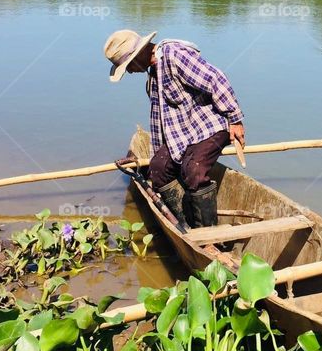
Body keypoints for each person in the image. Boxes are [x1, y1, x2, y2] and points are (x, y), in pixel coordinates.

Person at [104, 29, 245, 228]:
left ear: (137, 57)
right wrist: (159, 155)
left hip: (209, 126)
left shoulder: (174, 55)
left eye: (128, 66)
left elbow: (215, 79)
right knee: (158, 169)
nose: (129, 71)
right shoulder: (153, 73)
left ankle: (208, 235)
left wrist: (235, 119)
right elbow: (163, 120)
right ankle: (184, 224)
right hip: (183, 134)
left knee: (194, 170)